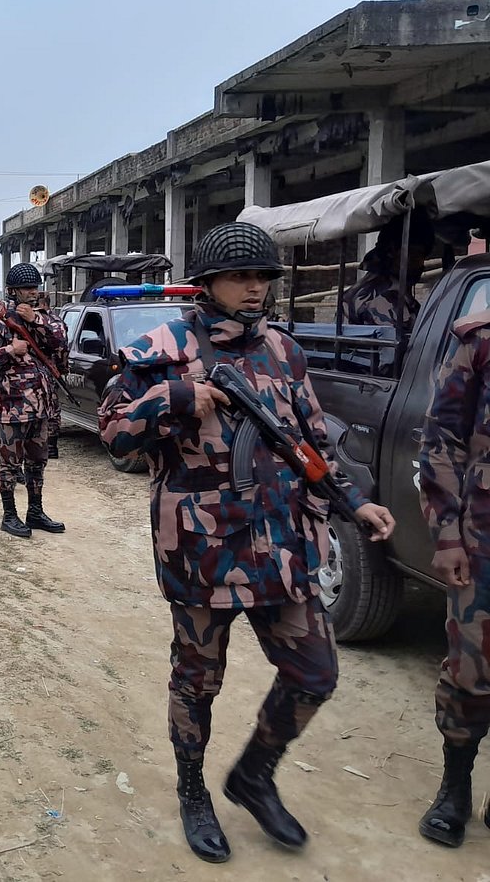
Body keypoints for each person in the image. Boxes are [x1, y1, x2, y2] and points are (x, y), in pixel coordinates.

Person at [99, 222, 395, 864]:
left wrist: (356, 499)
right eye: (241, 277)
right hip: (203, 550)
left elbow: (313, 438)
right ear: (208, 284)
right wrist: (181, 396)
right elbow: (115, 432)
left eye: (263, 277)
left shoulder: (283, 352)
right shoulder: (165, 345)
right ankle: (192, 790)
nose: (255, 287)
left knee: (315, 672)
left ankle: (254, 775)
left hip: (283, 545)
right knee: (198, 680)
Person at [417, 306, 490, 848]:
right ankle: (455, 788)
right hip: (483, 541)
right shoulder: (480, 340)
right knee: (471, 667)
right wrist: (447, 533)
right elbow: (441, 440)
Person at [0, 263, 68, 538]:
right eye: (27, 288)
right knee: (10, 465)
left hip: (41, 407)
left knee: (38, 463)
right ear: (13, 291)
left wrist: (36, 321)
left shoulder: (43, 319)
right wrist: (9, 350)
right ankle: (9, 516)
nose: (33, 293)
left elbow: (61, 342)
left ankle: (35, 512)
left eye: (35, 287)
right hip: (11, 408)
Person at [340, 212, 434, 328]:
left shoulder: (367, 287)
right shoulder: (385, 299)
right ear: (392, 252)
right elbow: (401, 343)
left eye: (421, 255)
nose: (419, 261)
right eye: (415, 254)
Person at [36, 292, 69, 458]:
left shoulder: (34, 320)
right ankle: (52, 446)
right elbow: (63, 348)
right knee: (53, 407)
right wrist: (62, 369)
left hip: (34, 371)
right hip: (52, 371)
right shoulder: (57, 321)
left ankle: (39, 444)